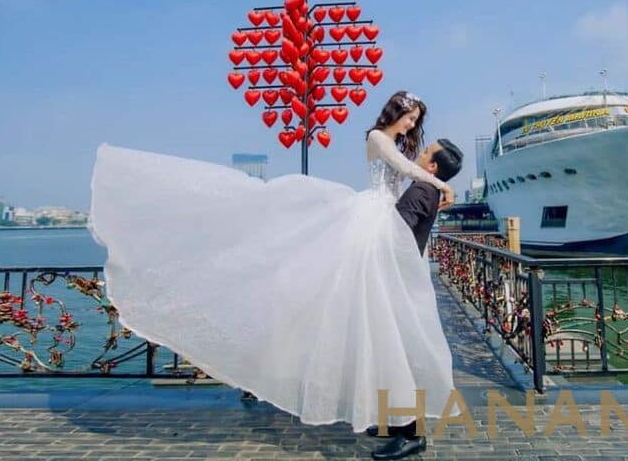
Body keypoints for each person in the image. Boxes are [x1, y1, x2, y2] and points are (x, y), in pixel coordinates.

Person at [88, 90, 461, 442]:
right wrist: (441, 184)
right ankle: (385, 414)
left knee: (364, 312)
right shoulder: (379, 138)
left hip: (382, 223)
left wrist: (432, 189)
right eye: (410, 118)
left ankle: (387, 415)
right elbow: (399, 168)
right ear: (396, 113)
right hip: (369, 219)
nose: (412, 126)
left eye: (415, 121)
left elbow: (403, 185)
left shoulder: (398, 146)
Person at [368, 138, 463, 460]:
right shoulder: (430, 190)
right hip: (400, 282)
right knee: (393, 354)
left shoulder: (421, 191)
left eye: (425, 153)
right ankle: (397, 423)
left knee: (401, 357)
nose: (418, 155)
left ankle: (413, 433)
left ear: (432, 166)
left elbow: (396, 236)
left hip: (396, 284)